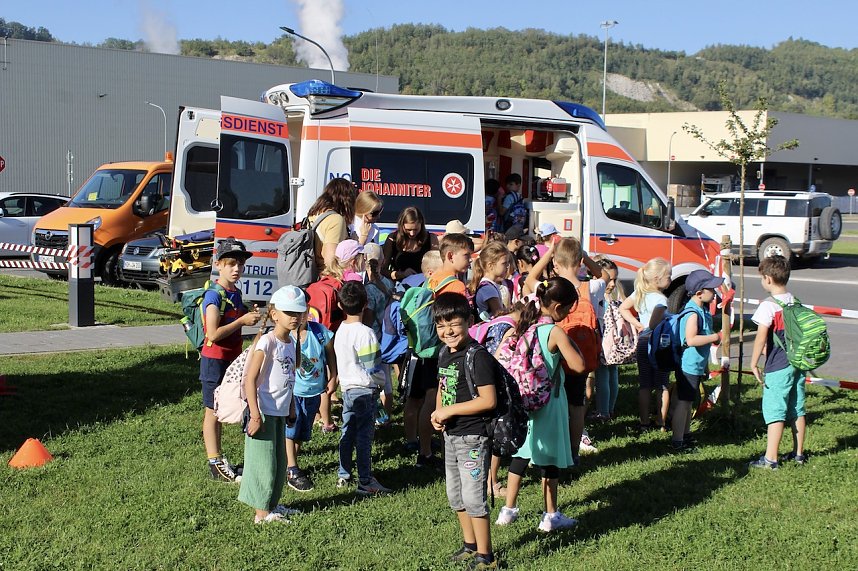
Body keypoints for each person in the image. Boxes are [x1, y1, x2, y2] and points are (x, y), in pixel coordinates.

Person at [496, 277, 586, 532]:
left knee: (520, 455)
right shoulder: (555, 332)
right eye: (568, 308)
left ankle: (508, 510)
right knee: (549, 460)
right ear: (557, 307)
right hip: (549, 402)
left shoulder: (524, 325)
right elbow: (579, 366)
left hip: (523, 400)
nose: (568, 313)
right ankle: (550, 515)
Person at [430, 292, 499, 570]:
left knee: (473, 497)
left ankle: (486, 556)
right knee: (455, 495)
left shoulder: (477, 356)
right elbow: (443, 388)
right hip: (451, 434)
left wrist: (450, 411)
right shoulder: (445, 353)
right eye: (441, 325)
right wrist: (438, 412)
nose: (447, 331)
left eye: (454, 323)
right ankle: (470, 546)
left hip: (473, 437)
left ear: (469, 321)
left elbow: (488, 400)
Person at [525, 237, 609, 460]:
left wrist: (549, 252)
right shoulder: (591, 287)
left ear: (555, 264)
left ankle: (550, 445)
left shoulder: (550, 289)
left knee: (551, 402)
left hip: (552, 356)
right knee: (576, 404)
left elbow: (530, 278)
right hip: (579, 356)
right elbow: (605, 275)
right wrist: (585, 257)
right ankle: (573, 450)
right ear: (580, 262)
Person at [405, 233, 474, 469]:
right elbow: (459, 320)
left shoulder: (433, 279)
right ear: (451, 255)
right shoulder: (455, 285)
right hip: (445, 349)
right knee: (440, 401)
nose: (470, 260)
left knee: (428, 399)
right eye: (467, 255)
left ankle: (424, 450)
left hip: (426, 348)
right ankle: (443, 454)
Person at [238, 286, 302, 523]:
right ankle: (261, 513)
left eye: (298, 312)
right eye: (289, 312)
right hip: (264, 411)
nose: (294, 317)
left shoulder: (292, 342)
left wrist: (292, 408)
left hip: (281, 411)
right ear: (275, 314)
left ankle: (272, 504)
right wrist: (255, 415)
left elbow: (290, 377)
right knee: (263, 462)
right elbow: (250, 380)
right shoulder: (267, 342)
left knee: (279, 461)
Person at [200, 238, 262, 482]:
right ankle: (214, 462)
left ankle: (227, 459)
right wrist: (241, 321)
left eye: (240, 264)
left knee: (231, 405)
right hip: (215, 361)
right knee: (213, 411)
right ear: (219, 265)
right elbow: (213, 334)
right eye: (231, 264)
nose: (237, 269)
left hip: (232, 360)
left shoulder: (234, 292)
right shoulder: (213, 296)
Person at [749, 255, 807, 469]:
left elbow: (761, 337)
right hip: (798, 364)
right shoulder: (796, 301)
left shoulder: (768, 306)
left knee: (775, 410)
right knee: (797, 408)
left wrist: (754, 362)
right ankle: (798, 454)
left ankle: (770, 459)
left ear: (768, 279)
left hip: (778, 366)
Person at [333, 281, 391, 494]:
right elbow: (373, 366)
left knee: (347, 433)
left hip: (347, 389)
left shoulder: (340, 330)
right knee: (364, 437)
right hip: (365, 390)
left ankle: (344, 473)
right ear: (366, 303)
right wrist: (381, 382)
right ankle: (365, 481)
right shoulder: (365, 333)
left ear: (340, 305)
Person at [286, 300, 337, 492]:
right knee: (290, 430)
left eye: (303, 310)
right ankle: (292, 468)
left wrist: (333, 376)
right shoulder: (287, 336)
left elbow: (330, 354)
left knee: (301, 431)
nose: (300, 315)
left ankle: (290, 463)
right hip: (292, 392)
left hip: (315, 391)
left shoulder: (319, 331)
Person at [620, 257, 673, 431]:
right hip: (659, 344)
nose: (671, 279)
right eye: (669, 276)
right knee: (662, 384)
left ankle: (644, 422)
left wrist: (636, 324)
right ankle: (661, 421)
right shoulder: (661, 300)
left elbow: (623, 308)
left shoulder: (639, 293)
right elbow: (655, 323)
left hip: (643, 341)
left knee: (644, 384)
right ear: (657, 279)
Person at [673, 270, 722, 451]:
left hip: (696, 365)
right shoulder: (692, 313)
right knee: (684, 403)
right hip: (687, 365)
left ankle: (685, 436)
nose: (715, 292)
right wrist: (715, 337)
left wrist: (706, 366)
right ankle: (678, 441)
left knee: (689, 402)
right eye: (711, 288)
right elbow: (691, 339)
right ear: (699, 292)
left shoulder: (701, 310)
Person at [363, 242, 395, 424]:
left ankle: (374, 417)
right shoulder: (388, 284)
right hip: (387, 339)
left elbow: (368, 318)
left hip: (371, 340)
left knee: (371, 380)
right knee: (386, 382)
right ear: (382, 261)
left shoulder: (368, 289)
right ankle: (386, 418)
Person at [591, 256, 622, 421]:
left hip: (603, 342)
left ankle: (603, 412)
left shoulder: (599, 296)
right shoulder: (614, 297)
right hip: (615, 343)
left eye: (614, 280)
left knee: (603, 376)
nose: (612, 284)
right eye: (609, 279)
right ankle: (610, 409)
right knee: (612, 374)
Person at [306, 177, 356, 274]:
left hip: (308, 275)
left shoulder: (313, 214)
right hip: (325, 278)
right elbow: (330, 260)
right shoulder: (336, 219)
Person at [382, 207, 439, 282]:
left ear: (421, 224)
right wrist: (401, 274)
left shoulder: (431, 239)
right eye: (408, 230)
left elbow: (437, 268)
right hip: (398, 284)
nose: (412, 233)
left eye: (416, 229)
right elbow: (383, 270)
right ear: (402, 226)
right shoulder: (393, 239)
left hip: (424, 284)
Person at [469, 241, 512, 322]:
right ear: (490, 265)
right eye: (504, 263)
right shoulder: (488, 289)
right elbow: (499, 314)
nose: (507, 266)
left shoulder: (491, 285)